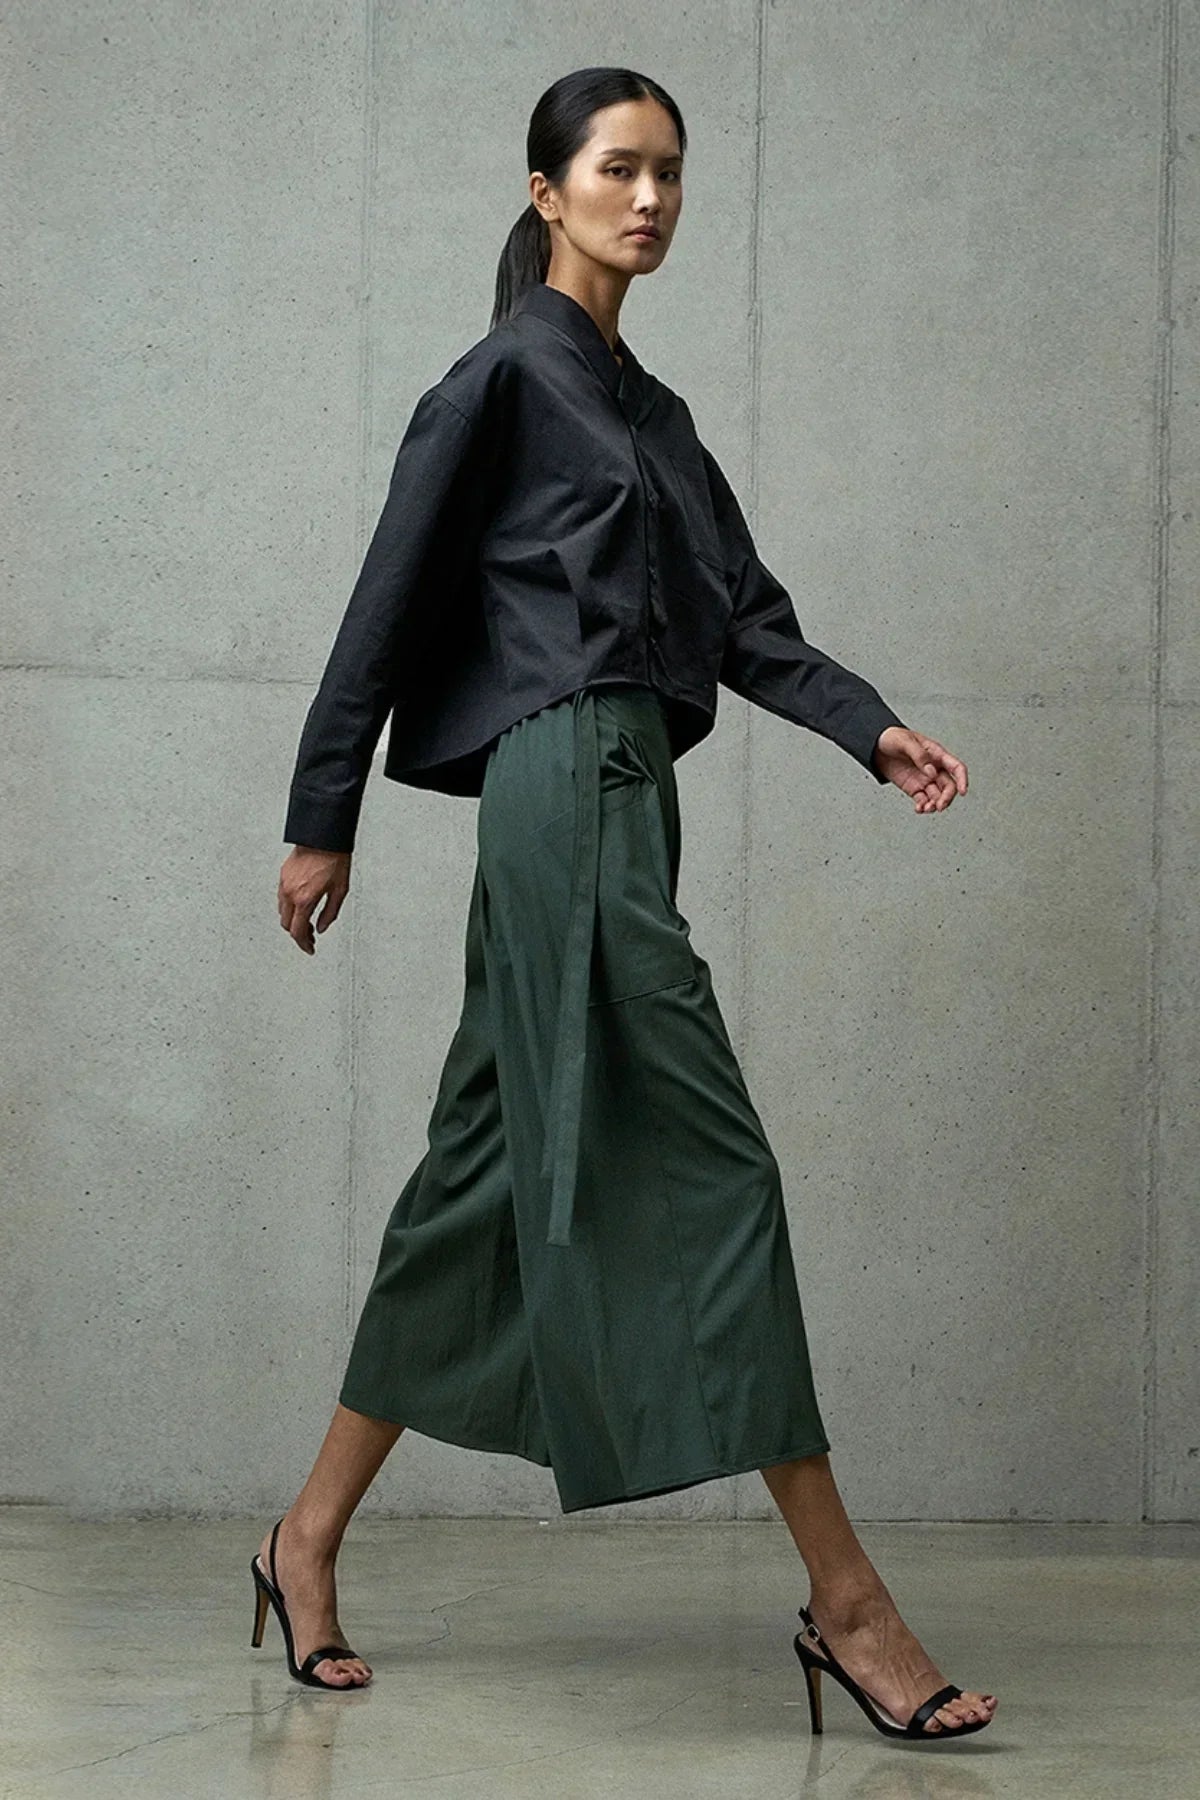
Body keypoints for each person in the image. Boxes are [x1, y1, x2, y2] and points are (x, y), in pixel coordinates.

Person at [256, 67, 997, 1743]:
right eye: (616, 169)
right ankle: (848, 1604)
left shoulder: (654, 417)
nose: (649, 198)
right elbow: (387, 599)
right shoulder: (502, 380)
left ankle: (301, 1540)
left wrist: (868, 727)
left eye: (669, 172)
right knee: (717, 1169)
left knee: (477, 1181)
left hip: (622, 800)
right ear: (547, 191)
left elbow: (745, 620)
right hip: (559, 786)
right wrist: (322, 817)